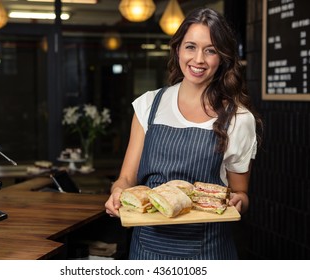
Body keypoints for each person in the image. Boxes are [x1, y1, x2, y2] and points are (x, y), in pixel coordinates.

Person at [105, 7, 263, 260]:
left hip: (208, 251)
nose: (198, 59)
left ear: (221, 58)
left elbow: (241, 194)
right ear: (177, 49)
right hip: (146, 249)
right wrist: (117, 193)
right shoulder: (149, 105)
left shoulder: (239, 119)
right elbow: (126, 178)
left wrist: (237, 203)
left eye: (210, 50)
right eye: (190, 46)